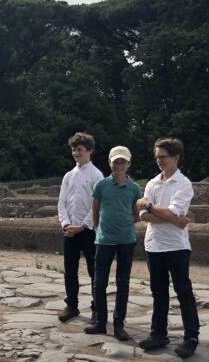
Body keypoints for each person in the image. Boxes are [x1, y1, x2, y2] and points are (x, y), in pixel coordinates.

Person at [136, 138, 200, 358]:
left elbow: (157, 210)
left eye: (163, 157)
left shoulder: (183, 184)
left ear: (175, 157)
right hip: (154, 245)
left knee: (183, 291)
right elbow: (144, 216)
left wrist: (150, 205)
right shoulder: (153, 183)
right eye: (157, 157)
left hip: (176, 246)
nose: (159, 161)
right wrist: (173, 219)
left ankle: (191, 337)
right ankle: (158, 333)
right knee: (159, 292)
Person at [83, 146, 142, 342]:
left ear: (128, 164)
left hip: (126, 239)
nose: (119, 165)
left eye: (122, 162)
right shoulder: (101, 185)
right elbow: (95, 211)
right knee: (99, 282)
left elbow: (136, 215)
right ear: (110, 163)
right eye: (116, 162)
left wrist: (122, 225)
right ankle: (101, 321)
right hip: (105, 240)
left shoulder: (134, 188)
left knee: (123, 282)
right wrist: (99, 230)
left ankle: (118, 324)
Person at [57, 132, 104, 323]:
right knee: (70, 269)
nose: (76, 153)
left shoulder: (97, 175)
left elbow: (97, 205)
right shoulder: (69, 175)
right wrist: (66, 223)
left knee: (94, 270)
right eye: (74, 149)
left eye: (80, 149)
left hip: (88, 230)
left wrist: (83, 225)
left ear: (89, 150)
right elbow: (62, 202)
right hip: (70, 230)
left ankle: (96, 308)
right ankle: (71, 304)